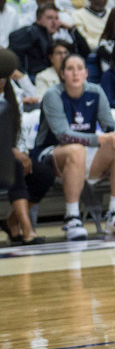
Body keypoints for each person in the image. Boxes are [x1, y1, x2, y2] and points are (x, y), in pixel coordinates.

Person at [31, 53, 115, 240]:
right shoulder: (53, 95)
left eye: (79, 68)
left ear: (86, 73)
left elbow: (108, 124)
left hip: (84, 154)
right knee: (76, 149)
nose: (75, 73)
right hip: (49, 154)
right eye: (70, 69)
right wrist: (100, 139)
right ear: (62, 74)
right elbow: (63, 135)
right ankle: (72, 217)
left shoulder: (95, 91)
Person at [0, 48, 51, 245]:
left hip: (10, 155)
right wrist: (13, 152)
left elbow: (19, 130)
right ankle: (27, 230)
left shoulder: (13, 91)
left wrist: (21, 151)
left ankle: (12, 222)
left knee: (44, 174)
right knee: (14, 165)